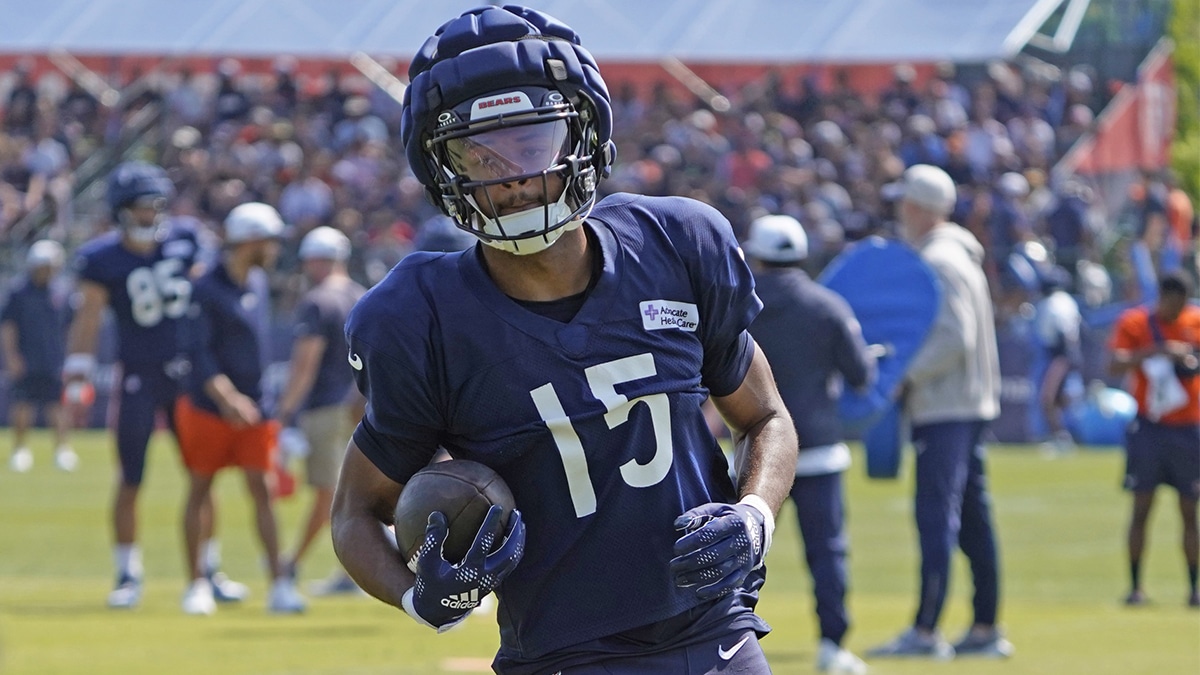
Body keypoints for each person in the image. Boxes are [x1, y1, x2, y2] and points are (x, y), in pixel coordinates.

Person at [330, 6, 799, 674]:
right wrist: (418, 596)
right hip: (560, 655)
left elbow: (766, 415)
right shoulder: (418, 318)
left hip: (717, 638)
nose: (512, 173)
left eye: (532, 141)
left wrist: (754, 514)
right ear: (441, 170)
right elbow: (354, 510)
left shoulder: (679, 245)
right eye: (478, 153)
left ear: (584, 134)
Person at [64, 161, 247, 609]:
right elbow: (88, 318)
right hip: (138, 376)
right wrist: (77, 375)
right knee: (130, 477)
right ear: (122, 211)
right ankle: (128, 574)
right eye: (143, 208)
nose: (152, 215)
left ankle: (209, 567)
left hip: (188, 374)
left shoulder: (186, 240)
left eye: (155, 206)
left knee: (202, 479)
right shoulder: (101, 259)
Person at [867, 164, 1011, 660]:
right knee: (973, 516)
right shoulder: (958, 253)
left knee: (937, 516)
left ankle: (926, 632)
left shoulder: (939, 260)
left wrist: (904, 377)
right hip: (967, 403)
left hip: (946, 406)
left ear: (915, 207)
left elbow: (955, 336)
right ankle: (985, 626)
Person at [741, 214, 875, 674]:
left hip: (754, 451)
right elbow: (861, 376)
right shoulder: (828, 306)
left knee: (742, 551)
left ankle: (727, 641)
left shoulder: (741, 306)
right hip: (816, 448)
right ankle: (833, 644)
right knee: (828, 551)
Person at [175, 201, 306, 615]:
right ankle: (196, 584)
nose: (274, 249)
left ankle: (279, 584)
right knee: (200, 488)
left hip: (256, 408)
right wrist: (227, 398)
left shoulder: (257, 282)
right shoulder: (205, 285)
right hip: (209, 408)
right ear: (250, 241)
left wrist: (250, 402)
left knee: (263, 492)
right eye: (269, 240)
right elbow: (199, 352)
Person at [275, 226, 367, 596]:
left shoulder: (317, 301)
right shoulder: (362, 295)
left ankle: (292, 564)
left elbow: (304, 366)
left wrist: (284, 412)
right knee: (358, 493)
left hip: (326, 409)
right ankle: (351, 573)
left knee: (330, 494)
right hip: (362, 406)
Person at [1108, 270, 1200, 608]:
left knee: (1190, 511)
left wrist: (1187, 359)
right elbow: (1115, 363)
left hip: (1188, 427)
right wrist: (1156, 351)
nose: (1175, 314)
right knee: (1141, 507)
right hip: (1149, 426)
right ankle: (1135, 588)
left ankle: (1193, 589)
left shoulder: (1195, 320)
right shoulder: (1135, 322)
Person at [2, 239, 75, 473]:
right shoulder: (18, 292)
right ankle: (20, 450)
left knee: (57, 406)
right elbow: (8, 327)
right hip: (27, 358)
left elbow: (72, 327)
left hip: (54, 359)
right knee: (23, 405)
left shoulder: (62, 293)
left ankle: (62, 450)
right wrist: (12, 356)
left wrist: (71, 358)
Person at [1032, 266, 1083, 456]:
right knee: (1060, 399)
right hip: (1067, 355)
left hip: (1060, 355)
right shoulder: (1068, 301)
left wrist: (1064, 358)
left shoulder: (1052, 303)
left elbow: (1063, 334)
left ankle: (1063, 438)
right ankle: (1064, 438)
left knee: (1048, 398)